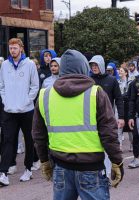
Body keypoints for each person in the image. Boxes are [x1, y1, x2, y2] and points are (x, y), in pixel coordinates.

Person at [31, 49, 123, 199]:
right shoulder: (96, 93)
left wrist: (44, 161)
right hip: (91, 168)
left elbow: (38, 135)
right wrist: (117, 161)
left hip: (60, 167)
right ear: (83, 68)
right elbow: (109, 133)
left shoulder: (45, 95)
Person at [0, 38, 39, 186]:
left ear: (21, 48)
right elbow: (1, 85)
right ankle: (3, 173)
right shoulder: (4, 65)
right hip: (9, 110)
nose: (12, 51)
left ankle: (28, 169)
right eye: (10, 48)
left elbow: (35, 86)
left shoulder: (29, 65)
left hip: (26, 110)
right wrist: (5, 100)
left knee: (29, 140)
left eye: (15, 48)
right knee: (8, 140)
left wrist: (27, 101)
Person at [89, 55, 125, 129]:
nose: (94, 67)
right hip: (91, 117)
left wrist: (121, 117)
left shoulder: (112, 80)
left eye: (96, 65)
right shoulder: (88, 80)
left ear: (101, 65)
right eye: (92, 65)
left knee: (108, 138)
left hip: (108, 116)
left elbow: (119, 99)